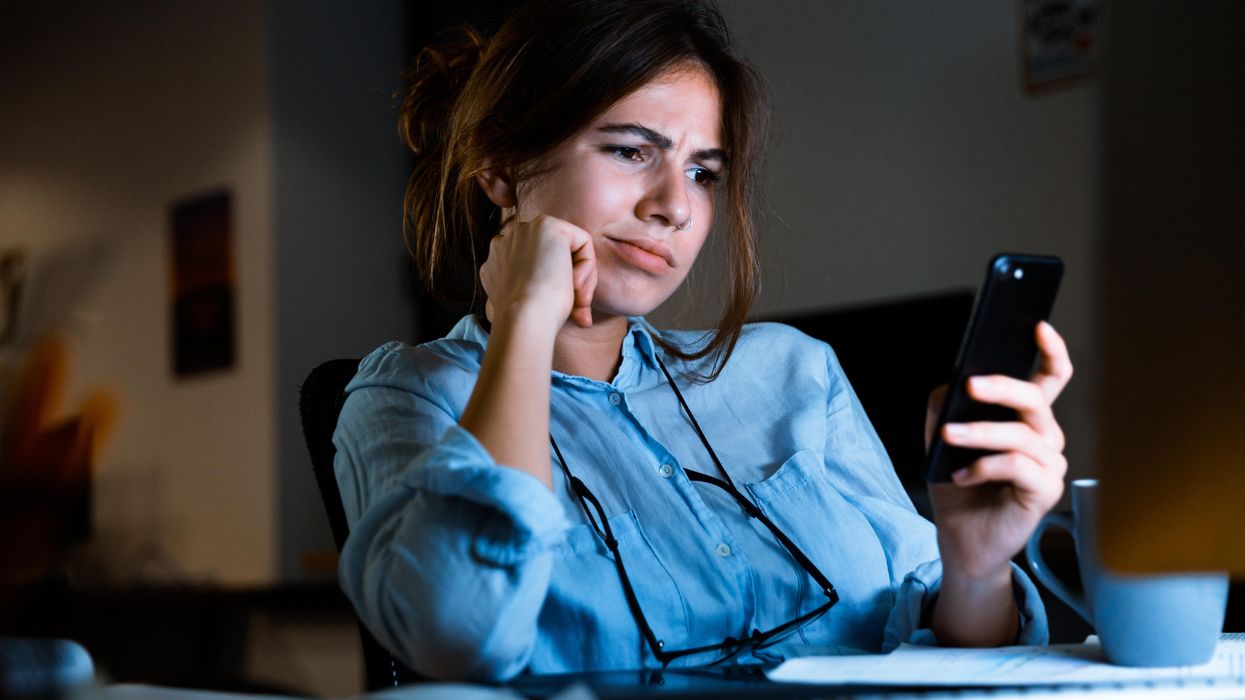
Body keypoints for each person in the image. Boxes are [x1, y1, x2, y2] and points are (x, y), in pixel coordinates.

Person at [333, 0, 1072, 682]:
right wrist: (525, 317)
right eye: (629, 151)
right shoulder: (408, 396)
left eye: (701, 172)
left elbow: (955, 668)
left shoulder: (793, 372)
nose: (675, 207)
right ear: (500, 170)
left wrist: (977, 569)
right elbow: (461, 635)